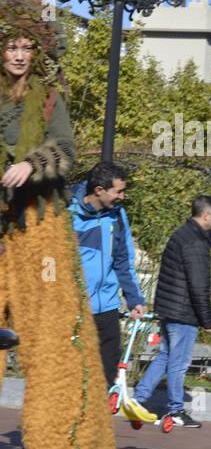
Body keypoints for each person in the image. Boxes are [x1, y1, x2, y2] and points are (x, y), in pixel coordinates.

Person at [0, 0, 116, 449]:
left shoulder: (49, 97)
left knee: (55, 351)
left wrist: (33, 163)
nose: (19, 54)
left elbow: (66, 152)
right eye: (11, 46)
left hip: (39, 233)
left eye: (27, 46)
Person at [124, 196, 211, 429]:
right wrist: (207, 320)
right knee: (179, 362)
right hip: (183, 312)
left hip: (169, 308)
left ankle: (139, 399)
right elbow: (199, 286)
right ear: (206, 215)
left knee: (166, 355)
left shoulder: (182, 235)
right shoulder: (195, 243)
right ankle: (176, 410)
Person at [70, 161, 147, 388]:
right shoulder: (66, 214)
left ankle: (95, 421)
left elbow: (123, 260)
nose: (122, 197)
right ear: (99, 190)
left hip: (108, 309)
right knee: (75, 374)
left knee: (106, 375)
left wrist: (135, 299)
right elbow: (49, 262)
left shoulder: (117, 215)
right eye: (119, 191)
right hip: (76, 309)